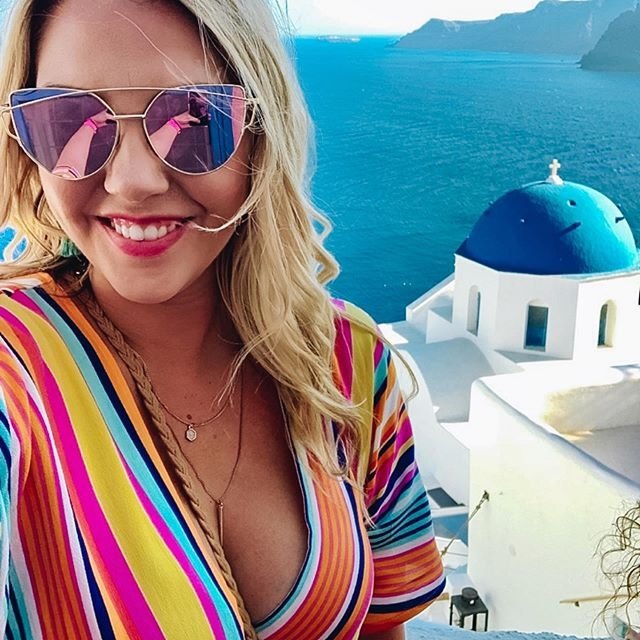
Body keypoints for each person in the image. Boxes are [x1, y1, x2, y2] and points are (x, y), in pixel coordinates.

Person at [0, 0, 446, 638]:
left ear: (261, 133)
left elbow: (381, 626)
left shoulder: (347, 361)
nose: (133, 181)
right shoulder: (13, 369)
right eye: (69, 120)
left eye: (192, 118)